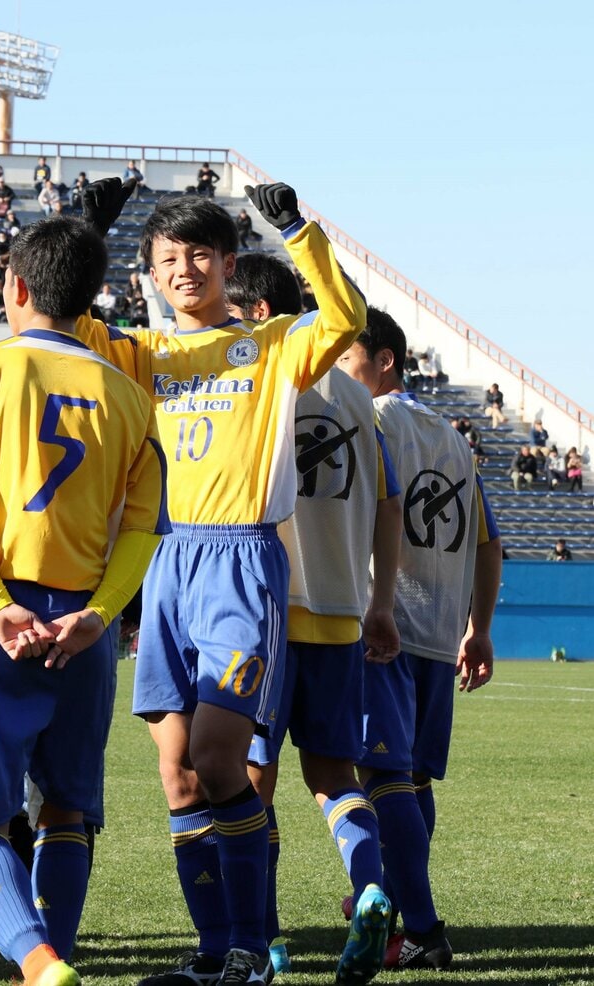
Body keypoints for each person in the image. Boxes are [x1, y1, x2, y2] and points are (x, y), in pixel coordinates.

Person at [81, 180, 366, 986]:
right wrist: (87, 228)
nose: (184, 270)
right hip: (166, 564)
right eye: (168, 258)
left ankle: (251, 948)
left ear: (228, 262)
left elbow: (344, 321)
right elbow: (62, 324)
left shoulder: (273, 345)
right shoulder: (141, 351)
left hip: (241, 564)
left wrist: (297, 230)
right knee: (175, 773)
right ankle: (215, 955)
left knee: (218, 760)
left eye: (200, 255)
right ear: (149, 271)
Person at [0, 212, 169, 986]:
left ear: (15, 286)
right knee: (67, 808)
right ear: (89, 299)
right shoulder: (129, 397)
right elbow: (142, 528)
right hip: (84, 623)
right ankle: (54, 948)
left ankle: (37, 961)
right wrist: (100, 614)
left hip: (5, 619)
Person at [226, 252, 402, 983]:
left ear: (259, 314)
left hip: (269, 605)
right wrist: (380, 602)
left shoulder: (263, 371)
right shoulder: (361, 397)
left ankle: (264, 936)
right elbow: (388, 505)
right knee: (333, 773)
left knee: (250, 778)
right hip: (340, 609)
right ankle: (369, 888)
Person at [337, 307, 501, 972]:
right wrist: (478, 628)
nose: (337, 374)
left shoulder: (369, 420)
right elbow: (491, 542)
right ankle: (399, 905)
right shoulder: (455, 439)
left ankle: (421, 926)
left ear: (384, 361)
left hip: (386, 627)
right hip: (437, 633)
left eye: (347, 359)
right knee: (411, 780)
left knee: (379, 775)